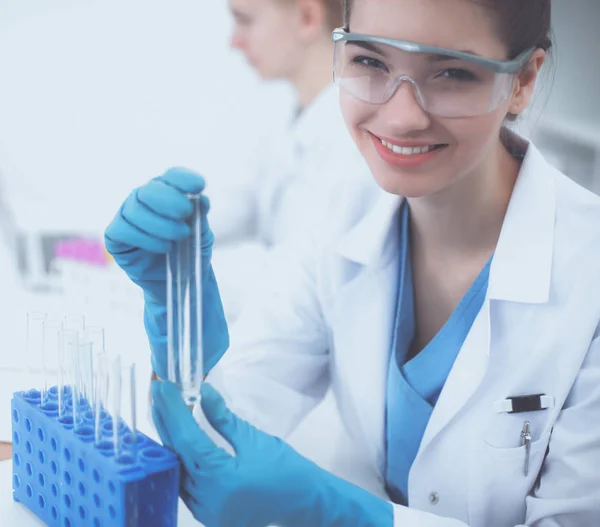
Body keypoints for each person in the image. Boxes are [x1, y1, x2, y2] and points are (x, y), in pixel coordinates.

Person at [105, 0, 600, 525]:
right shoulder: (340, 214)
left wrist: (345, 513)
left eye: (452, 73)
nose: (402, 115)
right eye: (369, 62)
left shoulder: (585, 272)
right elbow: (231, 417)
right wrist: (177, 324)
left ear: (522, 79)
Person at [210, 0, 377, 319]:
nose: (235, 42)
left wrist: (178, 275)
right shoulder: (294, 119)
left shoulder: (350, 144)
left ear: (307, 16)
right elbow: (236, 204)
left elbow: (297, 286)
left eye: (245, 21)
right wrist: (177, 220)